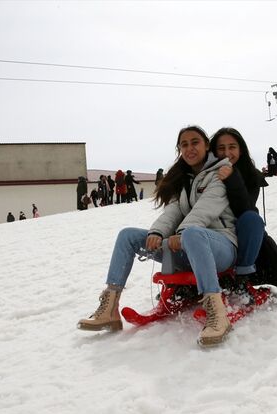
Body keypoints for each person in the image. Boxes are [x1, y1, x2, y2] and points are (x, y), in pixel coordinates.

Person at [77, 125, 237, 347]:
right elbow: (173, 210)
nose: (189, 148)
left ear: (206, 145)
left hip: (221, 246)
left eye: (195, 142)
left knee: (192, 233)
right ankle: (110, 308)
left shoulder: (220, 173)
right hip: (188, 244)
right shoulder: (185, 179)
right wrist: (157, 232)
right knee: (128, 236)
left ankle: (217, 313)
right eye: (184, 145)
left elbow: (207, 208)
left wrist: (181, 233)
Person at [211, 127, 267, 292]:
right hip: (211, 229)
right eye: (221, 148)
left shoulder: (251, 176)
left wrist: (231, 178)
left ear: (241, 150)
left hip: (239, 233)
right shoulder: (205, 173)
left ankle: (242, 278)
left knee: (252, 219)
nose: (227, 152)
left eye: (232, 147)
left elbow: (244, 208)